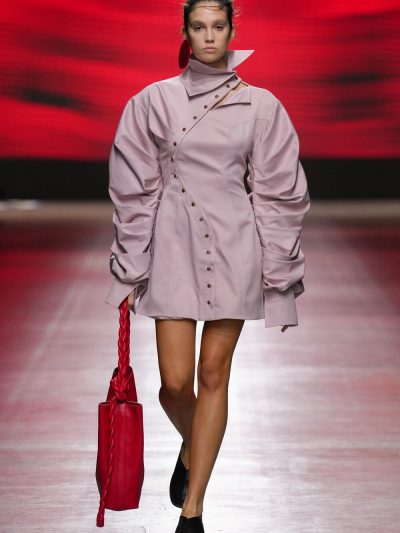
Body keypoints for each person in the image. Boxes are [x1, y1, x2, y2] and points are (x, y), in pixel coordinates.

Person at [105, 1, 311, 531]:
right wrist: (131, 263)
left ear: (232, 30)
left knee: (212, 373)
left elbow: (278, 193)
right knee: (174, 384)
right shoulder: (152, 102)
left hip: (234, 246)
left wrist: (278, 272)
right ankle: (193, 444)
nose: (210, 36)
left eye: (219, 26)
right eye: (199, 27)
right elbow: (134, 188)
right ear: (186, 32)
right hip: (172, 245)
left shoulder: (261, 106)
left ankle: (192, 510)